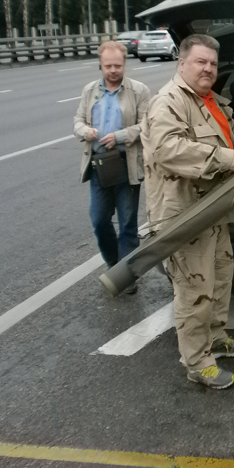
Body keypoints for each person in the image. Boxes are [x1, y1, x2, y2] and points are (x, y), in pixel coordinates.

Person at [142, 34, 234, 389]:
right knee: (194, 290)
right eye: (200, 61)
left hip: (213, 209)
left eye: (213, 64)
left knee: (219, 278)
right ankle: (197, 363)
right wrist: (223, 158)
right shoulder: (168, 102)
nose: (208, 69)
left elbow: (230, 142)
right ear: (182, 63)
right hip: (185, 216)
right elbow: (168, 149)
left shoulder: (209, 101)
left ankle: (216, 338)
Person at [74, 41, 150, 287]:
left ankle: (125, 276)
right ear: (100, 65)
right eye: (108, 66)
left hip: (127, 165)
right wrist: (85, 131)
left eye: (117, 65)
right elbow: (77, 121)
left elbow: (147, 125)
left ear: (124, 64)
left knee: (127, 223)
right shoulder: (90, 91)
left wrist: (119, 136)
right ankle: (113, 262)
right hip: (99, 167)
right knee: (99, 220)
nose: (113, 70)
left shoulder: (138, 91)